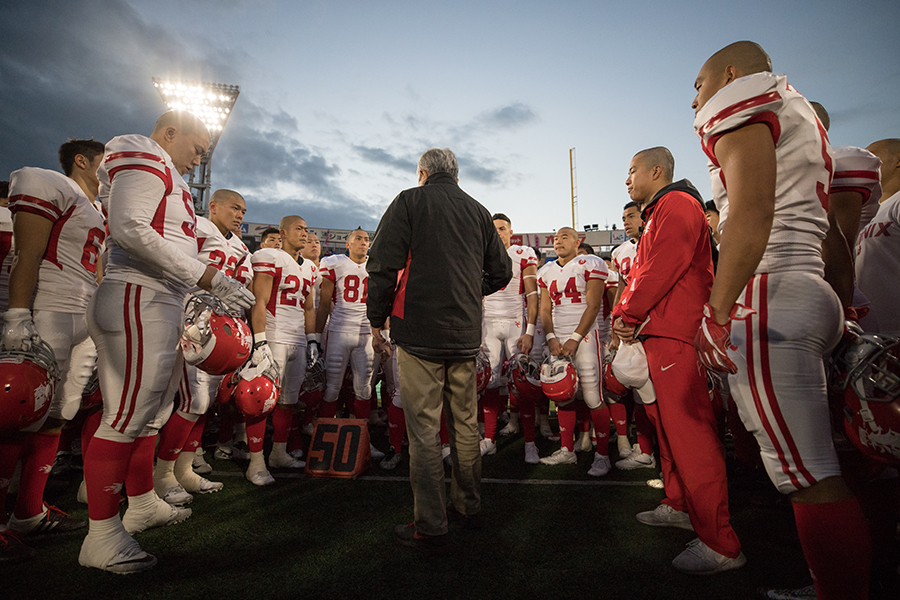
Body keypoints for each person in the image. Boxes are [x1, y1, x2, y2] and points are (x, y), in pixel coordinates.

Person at [691, 41, 870, 598]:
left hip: (770, 292)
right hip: (810, 286)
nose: (695, 98)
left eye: (697, 85)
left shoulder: (750, 98)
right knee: (825, 460)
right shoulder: (802, 116)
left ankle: (838, 591)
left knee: (807, 474)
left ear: (731, 73)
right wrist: (843, 305)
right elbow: (836, 240)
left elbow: (751, 210)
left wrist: (717, 312)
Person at [79, 110, 254, 574]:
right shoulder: (142, 151)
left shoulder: (164, 171)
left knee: (149, 413)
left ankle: (140, 503)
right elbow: (130, 228)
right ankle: (100, 535)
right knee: (125, 417)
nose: (199, 159)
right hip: (139, 295)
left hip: (155, 298)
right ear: (170, 133)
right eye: (197, 148)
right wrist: (208, 276)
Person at [366, 148, 511, 548]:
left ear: (422, 172)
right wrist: (468, 292)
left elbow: (381, 263)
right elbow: (502, 271)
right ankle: (468, 507)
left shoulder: (410, 200)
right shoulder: (480, 211)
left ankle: (431, 524)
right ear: (457, 176)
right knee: (466, 425)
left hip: (418, 331)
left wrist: (376, 317)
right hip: (464, 333)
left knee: (425, 431)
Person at [612, 146, 744, 574]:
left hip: (676, 333)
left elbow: (659, 269)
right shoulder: (663, 208)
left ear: (656, 170)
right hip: (661, 330)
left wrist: (627, 314)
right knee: (666, 429)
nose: (627, 179)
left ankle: (721, 542)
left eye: (632, 170)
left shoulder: (677, 205)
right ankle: (680, 502)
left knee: (691, 435)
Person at [0, 139, 106, 562]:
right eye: (104, 161)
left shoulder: (98, 209)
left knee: (59, 412)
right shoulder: (48, 183)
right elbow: (28, 252)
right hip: (48, 307)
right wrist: (16, 316)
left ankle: (29, 512)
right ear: (81, 161)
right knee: (18, 412)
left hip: (82, 312)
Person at [152, 189, 250, 505]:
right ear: (213, 206)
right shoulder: (196, 227)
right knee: (179, 399)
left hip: (214, 329)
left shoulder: (240, 246)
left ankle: (179, 469)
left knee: (200, 401)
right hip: (183, 318)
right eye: (235, 208)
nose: (239, 215)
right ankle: (162, 475)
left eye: (244, 211)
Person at [244, 215, 317, 484]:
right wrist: (260, 339)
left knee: (288, 400)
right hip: (274, 334)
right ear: (283, 233)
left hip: (297, 337)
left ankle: (279, 453)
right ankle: (256, 462)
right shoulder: (269, 257)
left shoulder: (309, 267)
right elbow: (259, 301)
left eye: (307, 230)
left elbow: (309, 308)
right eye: (299, 229)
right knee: (261, 400)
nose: (305, 234)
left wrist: (313, 340)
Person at [537, 227, 611, 476]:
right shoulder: (546, 271)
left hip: (585, 335)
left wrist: (576, 338)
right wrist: (550, 337)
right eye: (555, 238)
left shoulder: (590, 262)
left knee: (592, 396)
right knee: (562, 394)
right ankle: (567, 450)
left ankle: (602, 455)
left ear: (578, 242)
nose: (558, 241)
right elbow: (544, 310)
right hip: (558, 337)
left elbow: (594, 305)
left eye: (564, 236)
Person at [315, 228, 384, 460]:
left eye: (366, 239)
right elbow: (324, 304)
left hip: (366, 332)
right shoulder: (334, 263)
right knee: (332, 387)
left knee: (364, 389)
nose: (363, 243)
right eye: (358, 239)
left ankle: (362, 441)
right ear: (348, 244)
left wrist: (381, 333)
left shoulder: (376, 265)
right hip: (339, 329)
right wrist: (315, 336)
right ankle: (323, 442)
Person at [479, 213, 539, 461]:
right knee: (490, 382)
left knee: (521, 383)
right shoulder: (480, 253)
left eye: (503, 228)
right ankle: (489, 439)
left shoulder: (522, 254)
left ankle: (530, 443)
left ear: (511, 232)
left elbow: (533, 295)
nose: (499, 232)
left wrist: (530, 331)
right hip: (487, 323)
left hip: (515, 322)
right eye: (494, 229)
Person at [856, 139, 900, 336]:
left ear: (898, 161)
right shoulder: (867, 215)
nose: (866, 162)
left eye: (872, 155)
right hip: (876, 338)